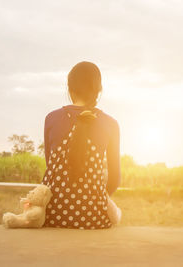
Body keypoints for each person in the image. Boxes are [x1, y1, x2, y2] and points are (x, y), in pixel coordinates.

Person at [41, 61, 121, 229]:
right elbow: (115, 179)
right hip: (94, 217)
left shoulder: (51, 118)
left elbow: (51, 167)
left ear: (69, 89)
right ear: (98, 90)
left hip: (53, 215)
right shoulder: (111, 124)